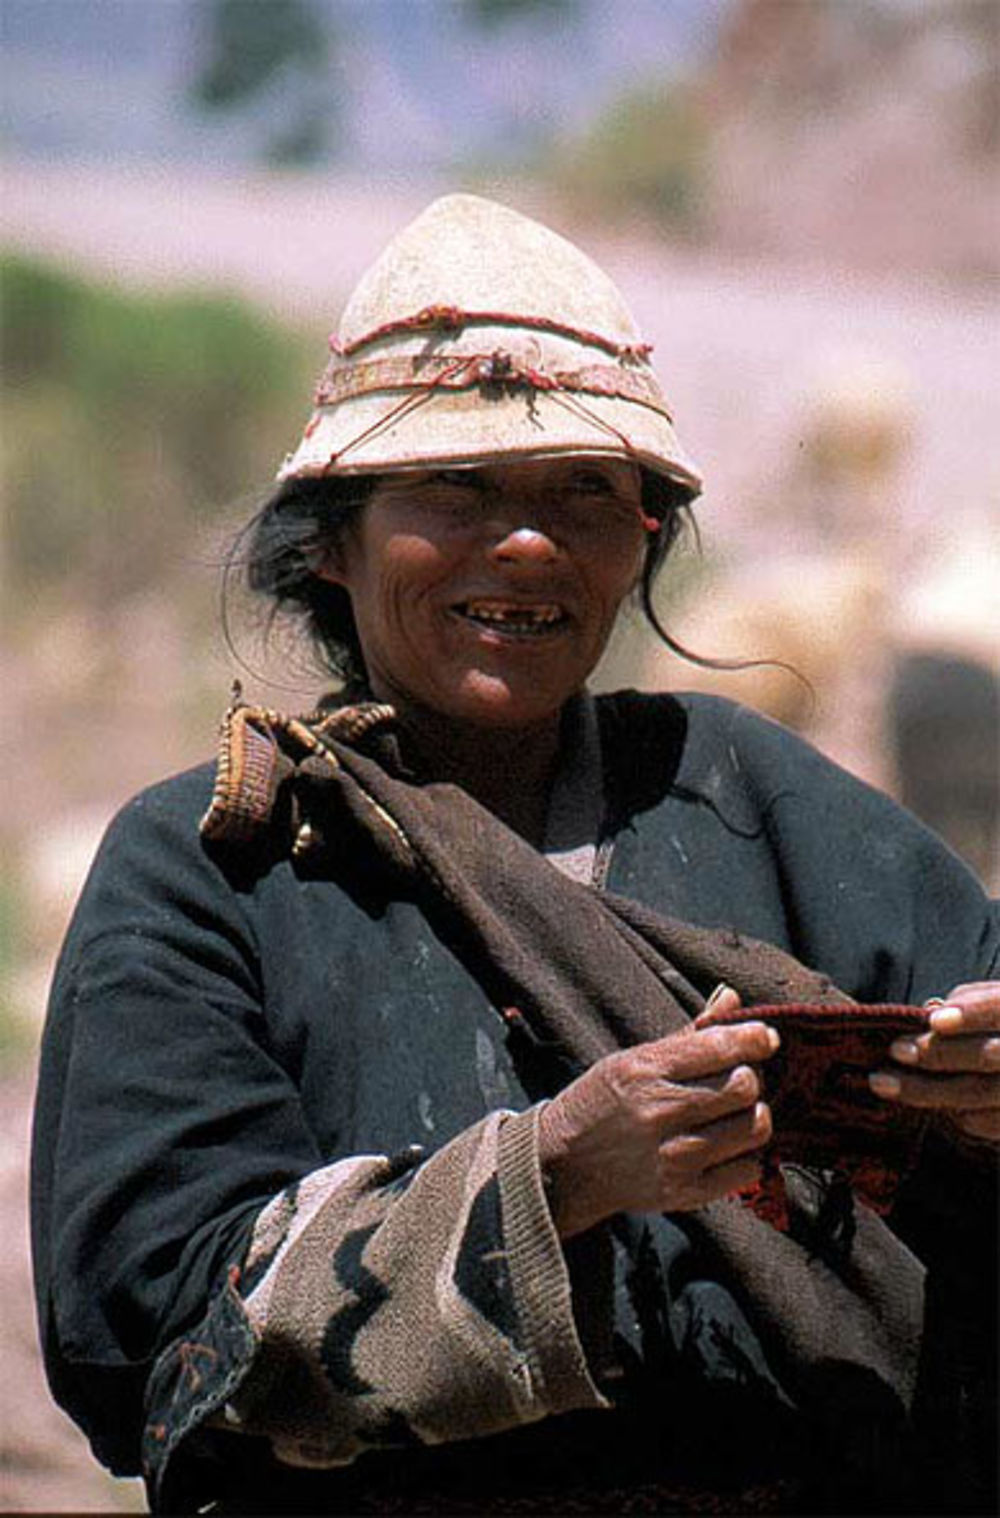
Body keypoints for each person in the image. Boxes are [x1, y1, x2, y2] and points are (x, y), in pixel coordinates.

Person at [31, 195, 999, 1516]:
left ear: (643, 535)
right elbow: (157, 1334)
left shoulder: (753, 795)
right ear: (334, 537)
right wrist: (556, 1177)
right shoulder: (216, 866)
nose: (531, 539)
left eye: (586, 494)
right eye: (461, 488)